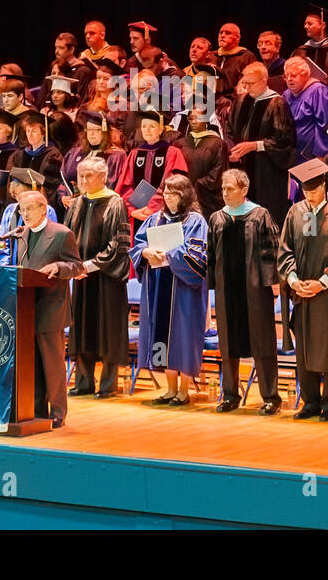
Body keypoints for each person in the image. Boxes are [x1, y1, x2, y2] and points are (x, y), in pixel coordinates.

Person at [277, 159, 328, 421]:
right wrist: (293, 281)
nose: (308, 196)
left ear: (324, 185)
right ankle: (310, 401)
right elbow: (285, 249)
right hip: (302, 294)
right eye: (305, 191)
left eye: (313, 190)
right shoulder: (295, 212)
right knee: (304, 350)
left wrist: (321, 283)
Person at [130, 174, 209, 406]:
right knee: (160, 334)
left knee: (182, 336)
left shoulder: (195, 221)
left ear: (184, 195)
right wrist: (146, 253)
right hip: (158, 287)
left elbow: (198, 254)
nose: (168, 196)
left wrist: (168, 255)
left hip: (183, 290)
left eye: (173, 193)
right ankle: (170, 388)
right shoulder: (155, 219)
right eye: (165, 192)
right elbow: (138, 244)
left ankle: (184, 390)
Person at [8, 190, 85, 427]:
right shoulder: (21, 235)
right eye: (21, 210)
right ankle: (35, 407)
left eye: (29, 209)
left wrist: (59, 267)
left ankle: (58, 412)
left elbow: (77, 266)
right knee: (31, 364)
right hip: (26, 308)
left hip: (50, 307)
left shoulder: (62, 234)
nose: (25, 214)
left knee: (52, 365)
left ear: (43, 208)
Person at [209, 169, 282, 414]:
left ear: (244, 190)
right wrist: (212, 284)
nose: (225, 193)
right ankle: (230, 394)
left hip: (255, 291)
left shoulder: (260, 215)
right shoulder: (218, 218)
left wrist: (272, 284)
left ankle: (271, 396)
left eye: (230, 189)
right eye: (223, 189)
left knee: (262, 342)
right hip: (226, 290)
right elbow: (211, 256)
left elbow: (272, 252)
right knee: (228, 342)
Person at [65, 157, 132, 399]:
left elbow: (119, 243)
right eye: (81, 176)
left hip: (106, 277)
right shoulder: (76, 204)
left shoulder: (115, 203)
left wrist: (91, 265)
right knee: (82, 327)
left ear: (103, 177)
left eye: (89, 176)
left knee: (107, 329)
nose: (83, 180)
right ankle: (83, 382)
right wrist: (74, 265)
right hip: (82, 276)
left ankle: (108, 384)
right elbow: (67, 237)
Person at [227, 62, 296, 224]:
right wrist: (232, 151)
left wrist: (254, 146)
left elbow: (284, 139)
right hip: (241, 167)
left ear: (264, 80)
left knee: (265, 215)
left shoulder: (277, 104)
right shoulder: (240, 101)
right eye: (245, 83)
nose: (247, 88)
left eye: (251, 83)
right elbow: (229, 130)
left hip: (266, 171)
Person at [120, 111, 188, 224]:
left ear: (161, 129)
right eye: (144, 126)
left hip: (162, 211)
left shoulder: (172, 153)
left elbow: (172, 183)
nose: (147, 130)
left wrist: (152, 206)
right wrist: (131, 210)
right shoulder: (134, 154)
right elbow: (126, 185)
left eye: (152, 126)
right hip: (137, 214)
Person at [173, 100, 229, 218]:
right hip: (183, 197)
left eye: (198, 117)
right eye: (191, 118)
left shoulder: (217, 143)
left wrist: (196, 185)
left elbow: (219, 172)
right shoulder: (180, 143)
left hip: (208, 200)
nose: (194, 121)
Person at [59, 109, 127, 206]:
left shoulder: (115, 155)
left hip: (99, 207)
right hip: (72, 207)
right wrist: (64, 196)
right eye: (89, 129)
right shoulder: (75, 153)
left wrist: (83, 200)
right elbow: (64, 179)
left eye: (96, 130)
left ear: (105, 132)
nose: (91, 134)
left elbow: (111, 185)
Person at [282, 55, 328, 161]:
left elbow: (327, 124)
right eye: (286, 75)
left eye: (294, 75)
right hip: (292, 154)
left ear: (305, 76)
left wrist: (321, 154)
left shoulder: (318, 91)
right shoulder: (286, 95)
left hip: (312, 156)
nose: (289, 79)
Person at [10, 113, 64, 219]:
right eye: (28, 131)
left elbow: (51, 183)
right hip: (21, 203)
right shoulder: (19, 154)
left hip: (39, 205)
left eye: (34, 131)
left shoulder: (53, 155)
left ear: (43, 133)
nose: (30, 135)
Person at [293, 5, 328, 72]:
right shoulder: (301, 50)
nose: (305, 26)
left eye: (309, 24)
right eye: (305, 24)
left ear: (323, 25)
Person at [214, 22, 257, 104]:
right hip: (210, 104)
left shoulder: (246, 56)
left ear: (237, 37)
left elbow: (248, 84)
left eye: (228, 33)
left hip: (233, 103)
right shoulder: (213, 55)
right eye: (221, 32)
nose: (222, 35)